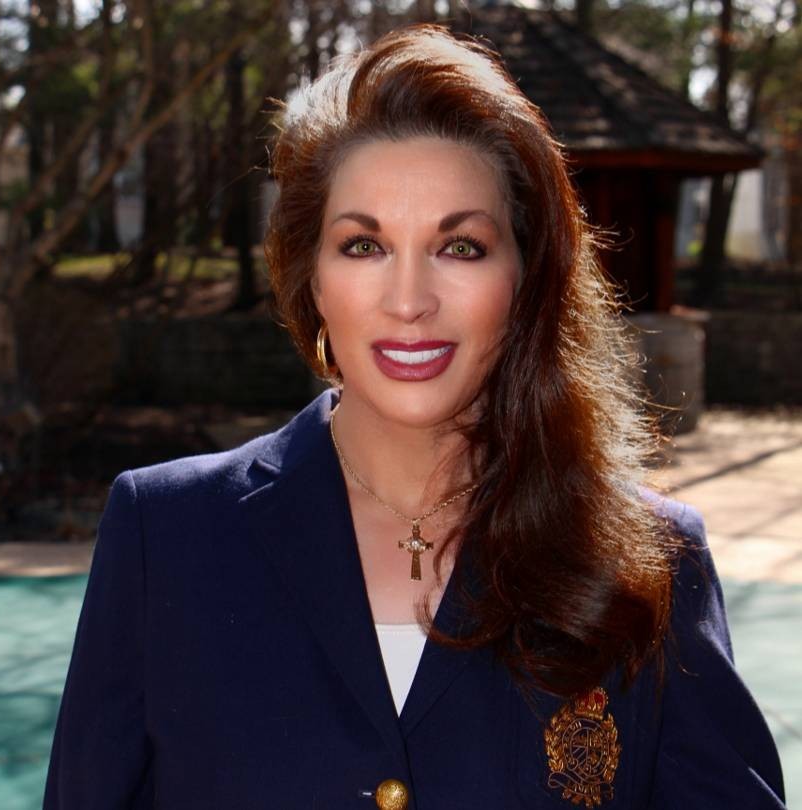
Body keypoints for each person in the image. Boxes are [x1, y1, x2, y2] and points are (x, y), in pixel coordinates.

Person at [43, 23, 786, 810]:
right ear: (311, 278)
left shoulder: (652, 564)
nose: (408, 301)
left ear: (526, 278)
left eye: (460, 247)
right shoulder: (165, 536)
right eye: (363, 246)